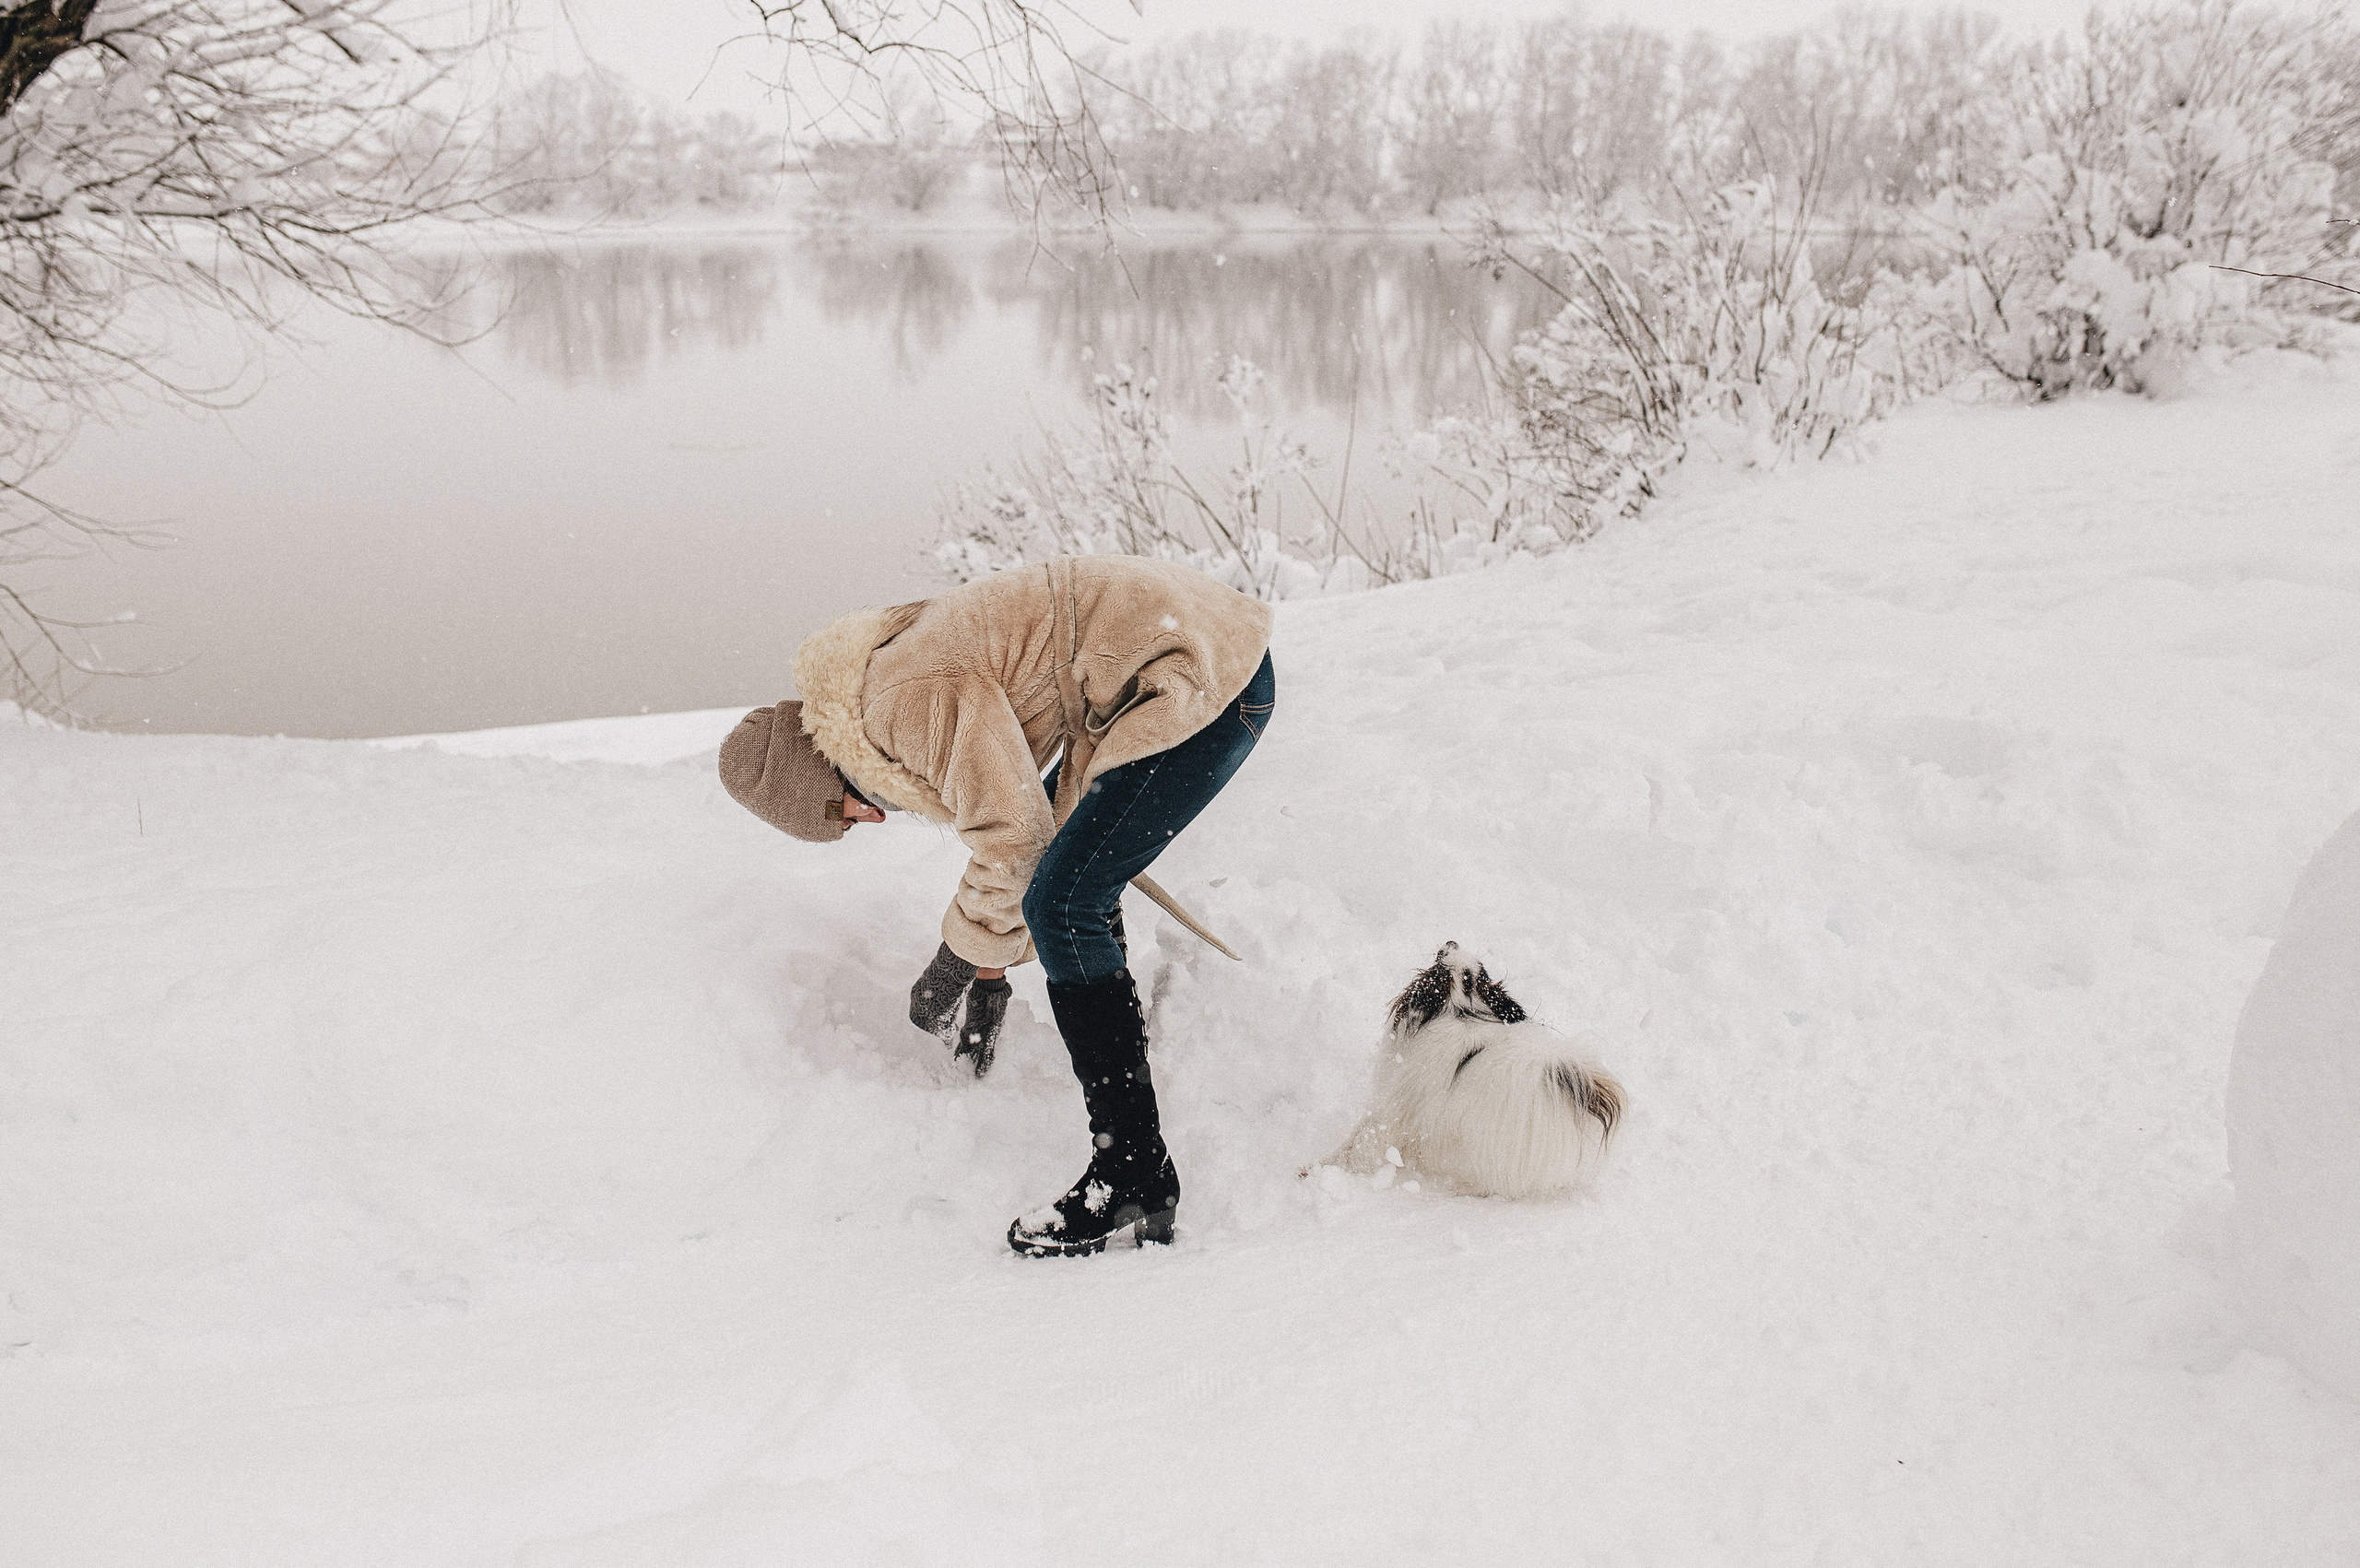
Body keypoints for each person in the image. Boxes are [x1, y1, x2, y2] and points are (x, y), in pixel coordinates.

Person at [717, 556, 1276, 1256]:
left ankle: (1132, 1166)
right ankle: (1132, 1107)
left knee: (1065, 900)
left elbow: (1013, 843)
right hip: (1190, 656)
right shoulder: (880, 683)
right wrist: (990, 972)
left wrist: (954, 964)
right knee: (1075, 884)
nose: (865, 821)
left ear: (821, 774)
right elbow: (1035, 816)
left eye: (840, 814)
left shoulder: (900, 703)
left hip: (1196, 676)